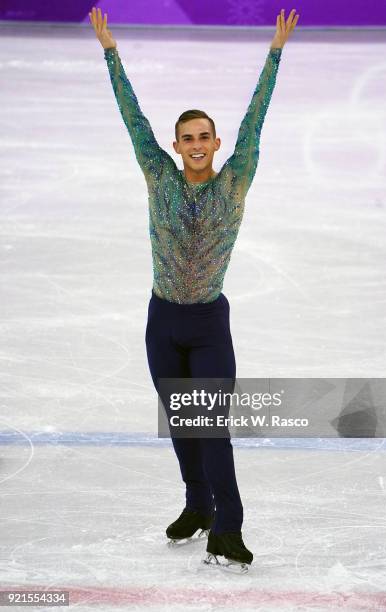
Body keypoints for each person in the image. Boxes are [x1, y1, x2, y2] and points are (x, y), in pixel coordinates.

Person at [89, 6, 299, 571]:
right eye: (188, 138)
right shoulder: (157, 174)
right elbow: (131, 116)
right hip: (162, 321)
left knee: (211, 429)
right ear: (177, 146)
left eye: (206, 135)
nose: (198, 143)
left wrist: (274, 55)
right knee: (181, 424)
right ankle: (197, 504)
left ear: (216, 141)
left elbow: (257, 119)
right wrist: (111, 52)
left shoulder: (236, 177)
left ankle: (229, 528)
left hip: (208, 323)